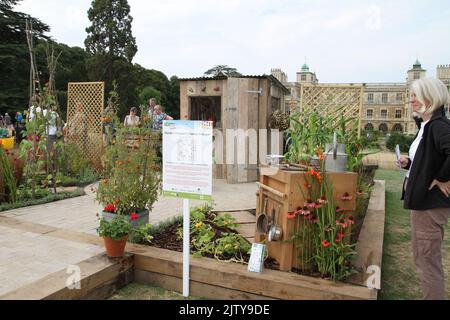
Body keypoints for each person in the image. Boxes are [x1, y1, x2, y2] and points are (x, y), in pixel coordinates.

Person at [397, 77, 450, 300]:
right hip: (423, 202)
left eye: (415, 96)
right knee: (423, 257)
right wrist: (409, 163)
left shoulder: (438, 126)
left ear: (430, 97)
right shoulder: (427, 126)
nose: (411, 101)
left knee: (427, 261)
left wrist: (442, 178)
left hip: (430, 204)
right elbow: (429, 158)